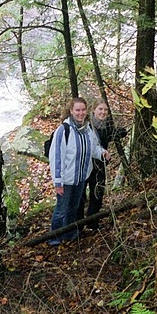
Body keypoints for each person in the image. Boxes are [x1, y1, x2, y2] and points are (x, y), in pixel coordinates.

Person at [47, 97, 109, 246]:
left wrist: (102, 153)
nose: (80, 113)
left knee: (73, 209)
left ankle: (69, 235)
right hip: (66, 179)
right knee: (62, 209)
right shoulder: (64, 130)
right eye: (77, 110)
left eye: (83, 110)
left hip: (81, 178)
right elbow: (56, 157)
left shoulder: (87, 129)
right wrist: (57, 181)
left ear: (86, 111)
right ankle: (54, 238)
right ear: (71, 111)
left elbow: (93, 148)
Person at [77, 99, 127, 229]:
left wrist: (122, 132)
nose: (103, 112)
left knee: (97, 193)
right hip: (85, 164)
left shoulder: (107, 126)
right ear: (93, 110)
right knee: (81, 195)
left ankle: (92, 223)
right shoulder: (86, 125)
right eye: (100, 109)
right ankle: (77, 225)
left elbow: (111, 135)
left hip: (99, 165)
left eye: (105, 110)